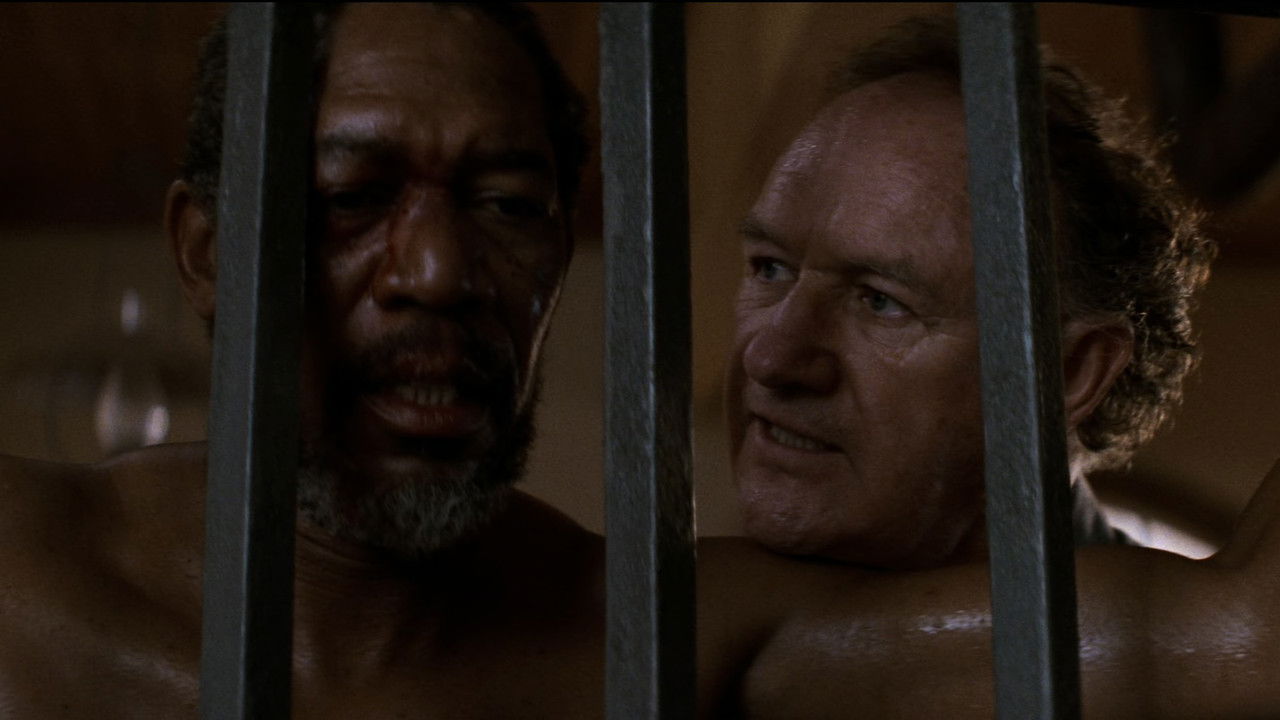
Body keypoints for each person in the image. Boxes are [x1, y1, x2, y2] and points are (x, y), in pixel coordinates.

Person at [0, 4, 1276, 718]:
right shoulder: (19, 570)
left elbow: (1246, 636)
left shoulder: (674, 632)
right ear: (209, 253)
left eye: (507, 204)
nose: (435, 270)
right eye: (350, 197)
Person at [728, 17, 1215, 569]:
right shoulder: (687, 608)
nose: (769, 358)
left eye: (880, 301)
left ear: (1070, 371)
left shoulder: (1176, 626)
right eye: (770, 269)